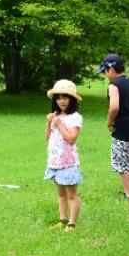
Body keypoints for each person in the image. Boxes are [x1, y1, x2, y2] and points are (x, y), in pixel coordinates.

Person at [101, 53, 129, 198]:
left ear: (110, 69)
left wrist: (109, 123)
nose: (104, 74)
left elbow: (114, 107)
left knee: (121, 162)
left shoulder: (114, 84)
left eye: (104, 71)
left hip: (125, 127)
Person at [43, 80, 84, 229]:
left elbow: (72, 139)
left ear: (71, 99)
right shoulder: (55, 115)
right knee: (61, 194)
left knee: (71, 194)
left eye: (65, 98)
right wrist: (49, 123)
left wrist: (59, 124)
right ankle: (62, 220)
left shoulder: (75, 117)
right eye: (58, 98)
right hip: (55, 161)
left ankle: (72, 223)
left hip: (68, 162)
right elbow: (47, 138)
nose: (61, 101)